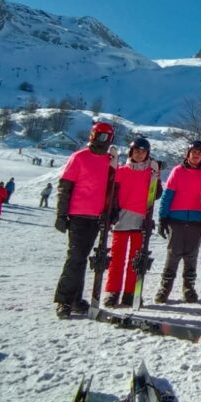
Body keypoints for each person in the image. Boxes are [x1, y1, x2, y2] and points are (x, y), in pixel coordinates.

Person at [52, 121, 116, 319]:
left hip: (96, 217)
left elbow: (112, 190)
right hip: (78, 215)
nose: (102, 141)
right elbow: (65, 186)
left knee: (82, 259)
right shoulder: (79, 158)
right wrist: (61, 214)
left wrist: (111, 212)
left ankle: (75, 299)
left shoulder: (110, 161)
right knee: (76, 259)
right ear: (92, 136)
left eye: (106, 137)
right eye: (99, 136)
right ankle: (64, 300)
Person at [104, 137, 158, 307]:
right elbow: (111, 194)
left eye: (143, 152)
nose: (140, 154)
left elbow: (155, 195)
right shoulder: (121, 171)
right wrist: (111, 213)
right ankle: (113, 292)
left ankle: (130, 292)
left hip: (140, 220)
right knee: (117, 259)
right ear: (131, 152)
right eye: (137, 151)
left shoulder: (150, 173)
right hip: (122, 219)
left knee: (136, 260)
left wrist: (156, 177)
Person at [156, 141, 201, 303]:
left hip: (196, 220)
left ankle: (188, 288)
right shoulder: (178, 171)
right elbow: (167, 196)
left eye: (199, 153)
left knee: (191, 255)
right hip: (176, 220)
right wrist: (162, 217)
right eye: (193, 152)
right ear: (188, 154)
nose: (196, 155)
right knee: (173, 254)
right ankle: (165, 288)